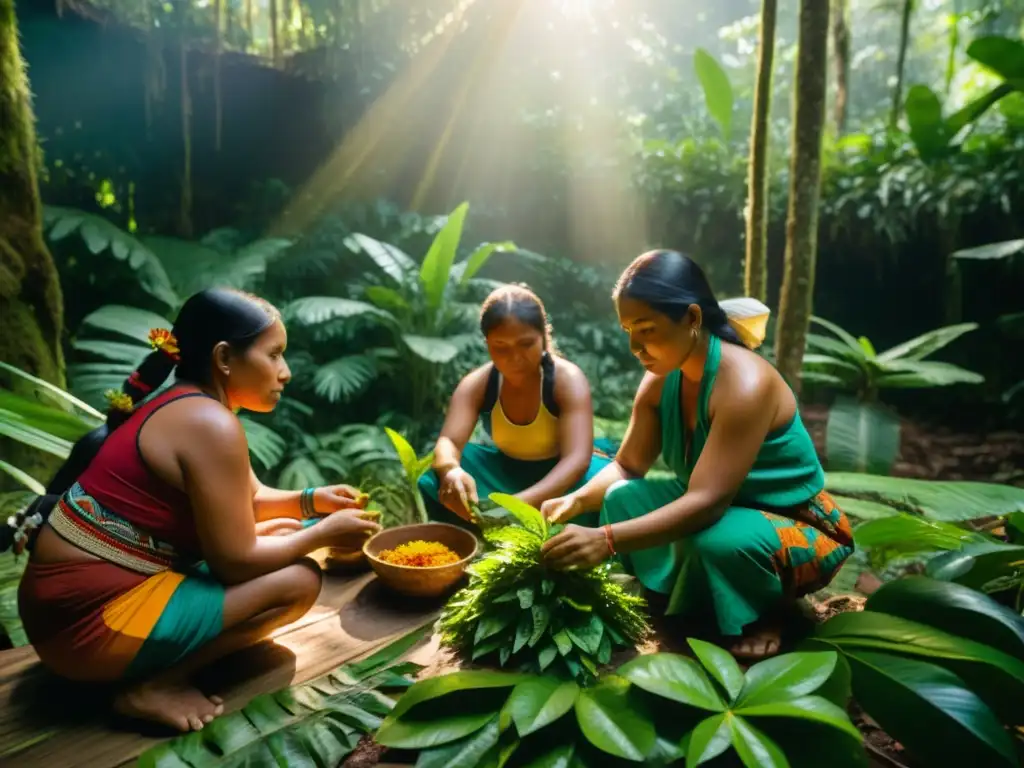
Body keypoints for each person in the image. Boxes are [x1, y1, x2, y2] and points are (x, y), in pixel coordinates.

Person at [8, 288, 380, 732]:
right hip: (83, 630)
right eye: (275, 355)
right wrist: (323, 532)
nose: (286, 373)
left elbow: (250, 501)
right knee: (300, 581)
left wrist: (311, 501)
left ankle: (155, 661)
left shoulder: (187, 403)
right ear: (225, 358)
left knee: (280, 531)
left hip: (62, 617)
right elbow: (235, 561)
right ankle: (155, 686)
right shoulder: (208, 423)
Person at [539, 251, 854, 660]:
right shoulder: (660, 377)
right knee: (620, 499)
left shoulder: (744, 384)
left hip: (790, 520)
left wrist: (607, 540)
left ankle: (769, 611)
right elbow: (627, 465)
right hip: (711, 506)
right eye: (628, 330)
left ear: (691, 318)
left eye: (647, 329)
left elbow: (706, 502)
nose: (635, 346)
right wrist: (577, 500)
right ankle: (686, 599)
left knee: (719, 544)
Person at [419, 284, 611, 527]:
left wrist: (517, 505)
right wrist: (451, 471)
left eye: (526, 344)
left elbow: (577, 460)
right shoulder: (479, 383)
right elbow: (449, 441)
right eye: (501, 346)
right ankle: (467, 536)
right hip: (505, 471)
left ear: (544, 336)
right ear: (487, 343)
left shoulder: (566, 379)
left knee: (605, 493)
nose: (515, 357)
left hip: (563, 477)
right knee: (434, 479)